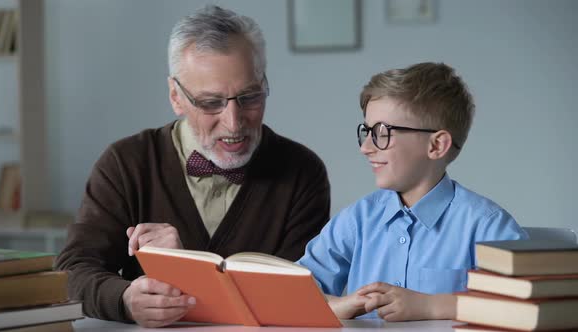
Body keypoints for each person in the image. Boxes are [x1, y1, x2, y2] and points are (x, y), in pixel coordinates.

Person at [55, 5, 331, 328]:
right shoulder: (126, 164)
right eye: (211, 103)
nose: (233, 123)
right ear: (176, 96)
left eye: (250, 97)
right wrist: (125, 299)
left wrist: (185, 267)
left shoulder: (303, 172)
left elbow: (295, 299)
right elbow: (70, 273)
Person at [297, 62, 528, 322]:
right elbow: (293, 291)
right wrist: (336, 306)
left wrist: (432, 306)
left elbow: (524, 304)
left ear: (437, 145)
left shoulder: (487, 225)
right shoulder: (357, 220)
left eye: (382, 132)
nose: (366, 148)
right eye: (367, 131)